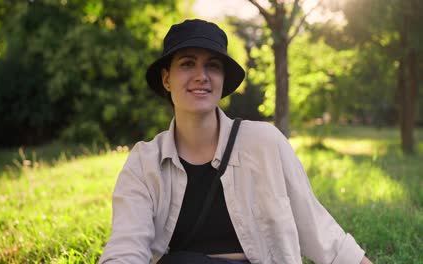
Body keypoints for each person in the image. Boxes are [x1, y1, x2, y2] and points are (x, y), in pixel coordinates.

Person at [99, 19, 372, 264]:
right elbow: (125, 247)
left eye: (212, 66)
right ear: (166, 78)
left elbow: (319, 229)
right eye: (187, 63)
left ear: (222, 79)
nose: (201, 76)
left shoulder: (265, 143)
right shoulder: (144, 163)